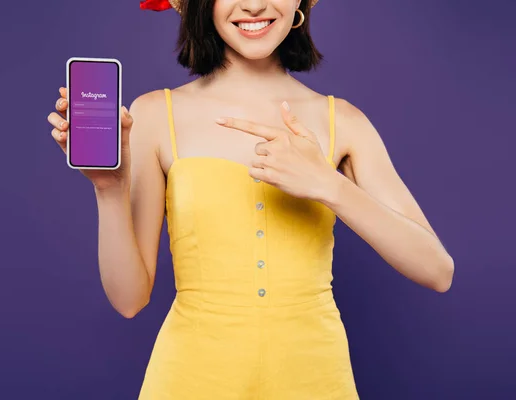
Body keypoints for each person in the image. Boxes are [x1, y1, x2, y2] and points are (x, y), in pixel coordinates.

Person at [47, 0, 454, 398]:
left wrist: (328, 184)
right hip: (189, 381)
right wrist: (109, 188)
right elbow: (129, 299)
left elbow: (437, 271)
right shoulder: (155, 114)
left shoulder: (343, 121)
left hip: (316, 380)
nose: (255, 5)